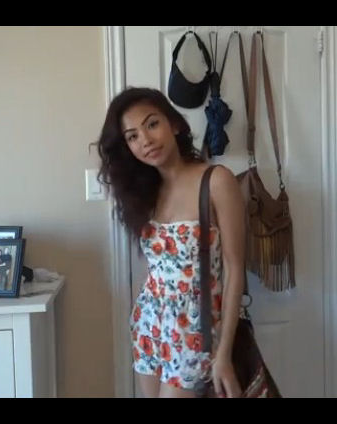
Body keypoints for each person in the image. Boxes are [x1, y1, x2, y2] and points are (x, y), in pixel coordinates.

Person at [97, 87, 245, 398]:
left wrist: (224, 352)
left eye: (152, 124)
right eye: (132, 136)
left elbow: (235, 269)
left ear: (174, 124)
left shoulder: (216, 181)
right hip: (150, 322)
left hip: (197, 330)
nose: (145, 140)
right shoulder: (144, 193)